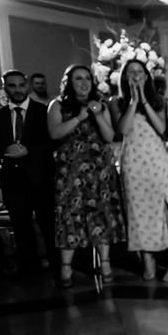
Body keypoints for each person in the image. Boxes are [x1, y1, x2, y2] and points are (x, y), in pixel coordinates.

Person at [48, 65, 124, 287]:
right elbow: (55, 132)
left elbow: (110, 136)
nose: (84, 83)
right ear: (69, 82)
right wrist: (80, 117)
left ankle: (106, 264)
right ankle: (66, 270)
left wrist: (98, 114)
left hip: (99, 169)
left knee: (101, 214)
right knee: (70, 216)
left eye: (87, 79)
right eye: (78, 79)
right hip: (71, 170)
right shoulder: (57, 105)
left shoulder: (101, 104)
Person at [112, 58, 168, 281]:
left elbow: (162, 128)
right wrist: (132, 102)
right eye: (131, 72)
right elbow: (122, 129)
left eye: (139, 71)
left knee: (165, 207)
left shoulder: (159, 101)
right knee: (137, 210)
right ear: (124, 77)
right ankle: (147, 259)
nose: (135, 76)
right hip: (132, 160)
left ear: (146, 75)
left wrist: (144, 101)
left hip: (155, 159)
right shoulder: (116, 102)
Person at [0, 70, 58, 279]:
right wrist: (6, 150)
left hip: (41, 176)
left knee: (48, 224)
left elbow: (53, 141)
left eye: (21, 85)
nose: (18, 90)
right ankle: (30, 271)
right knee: (21, 227)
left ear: (27, 86)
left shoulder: (43, 111)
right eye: (12, 86)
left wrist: (29, 150)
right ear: (5, 87)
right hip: (12, 179)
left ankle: (57, 267)